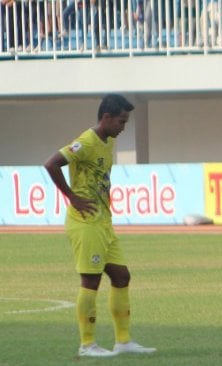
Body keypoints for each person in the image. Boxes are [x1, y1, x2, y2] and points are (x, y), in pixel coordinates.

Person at [44, 94, 156, 357]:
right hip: (86, 223)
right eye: (121, 121)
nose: (123, 127)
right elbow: (51, 163)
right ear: (106, 118)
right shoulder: (86, 142)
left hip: (103, 223)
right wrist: (72, 197)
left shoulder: (107, 142)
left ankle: (123, 341)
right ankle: (87, 345)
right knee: (91, 280)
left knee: (121, 276)